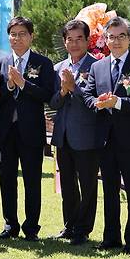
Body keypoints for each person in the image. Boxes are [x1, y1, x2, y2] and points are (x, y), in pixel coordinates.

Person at [82, 16, 130, 255]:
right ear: (105, 39)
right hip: (105, 139)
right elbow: (88, 95)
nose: (116, 41)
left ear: (129, 38)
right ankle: (110, 238)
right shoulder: (97, 66)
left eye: (121, 36)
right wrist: (98, 103)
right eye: (111, 37)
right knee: (109, 190)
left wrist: (119, 102)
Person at [0, 16, 54, 242]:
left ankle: (31, 227)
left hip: (31, 130)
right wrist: (9, 85)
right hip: (7, 130)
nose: (17, 38)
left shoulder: (43, 63)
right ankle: (10, 225)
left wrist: (23, 84)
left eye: (22, 34)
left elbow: (47, 94)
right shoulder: (1, 62)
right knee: (7, 179)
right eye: (13, 34)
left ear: (31, 36)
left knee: (32, 180)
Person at [49, 20, 100, 245]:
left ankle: (83, 229)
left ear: (87, 40)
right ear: (64, 42)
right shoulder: (58, 68)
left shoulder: (98, 66)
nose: (74, 43)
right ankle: (69, 225)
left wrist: (74, 89)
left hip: (87, 136)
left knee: (88, 184)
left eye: (79, 38)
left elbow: (96, 101)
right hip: (63, 135)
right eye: (70, 39)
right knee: (67, 184)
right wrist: (62, 90)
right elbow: (53, 102)